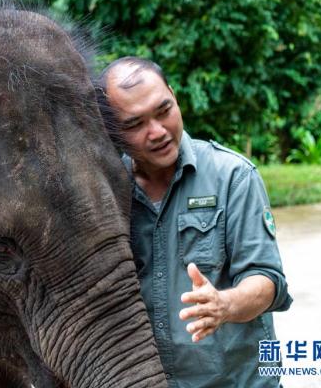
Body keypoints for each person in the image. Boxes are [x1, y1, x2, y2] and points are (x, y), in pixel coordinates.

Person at [96, 57, 292, 387]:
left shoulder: (233, 177)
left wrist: (224, 305)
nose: (157, 132)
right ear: (111, 131)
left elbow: (268, 280)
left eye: (164, 110)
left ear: (174, 96)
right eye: (135, 124)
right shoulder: (104, 193)